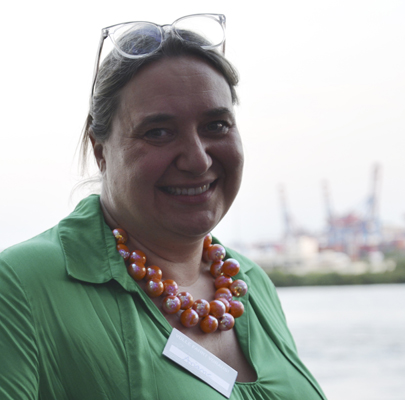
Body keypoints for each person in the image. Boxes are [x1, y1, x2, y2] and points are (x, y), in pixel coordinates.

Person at [0, 14, 327, 399]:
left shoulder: (250, 282)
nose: (198, 159)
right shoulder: (21, 286)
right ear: (100, 150)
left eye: (216, 125)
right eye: (158, 132)